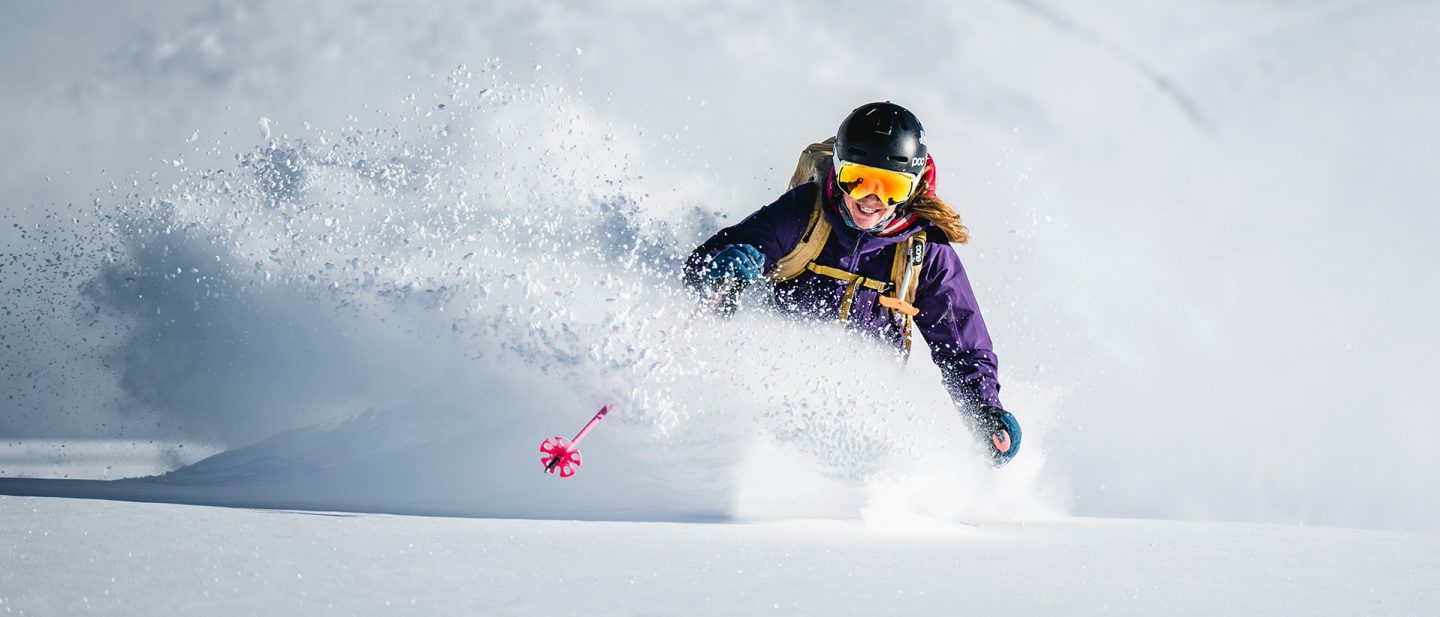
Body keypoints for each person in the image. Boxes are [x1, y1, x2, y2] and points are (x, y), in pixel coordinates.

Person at [683, 102, 1021, 466]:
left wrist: (984, 411)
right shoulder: (803, 212)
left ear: (912, 188)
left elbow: (962, 347)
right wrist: (728, 266)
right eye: (857, 179)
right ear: (839, 169)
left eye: (890, 186)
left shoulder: (925, 252)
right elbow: (703, 264)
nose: (871, 199)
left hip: (862, 413)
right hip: (766, 386)